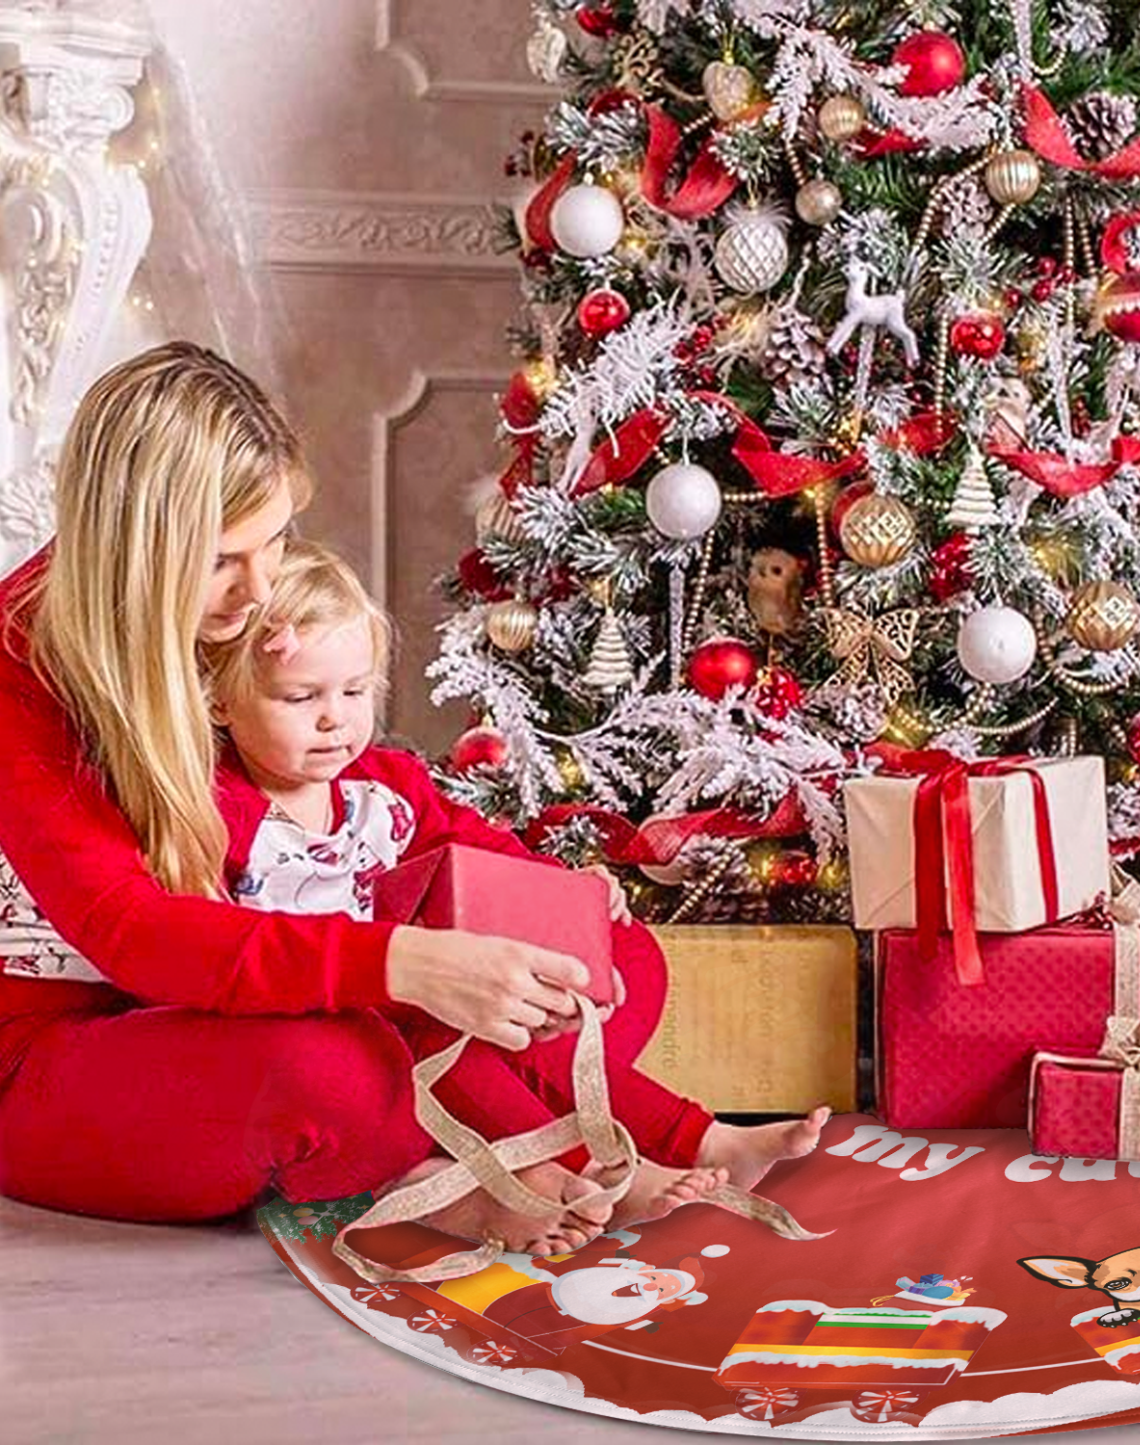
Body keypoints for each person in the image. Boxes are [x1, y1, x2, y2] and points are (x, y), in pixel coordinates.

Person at [0, 341, 821, 1254]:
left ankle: (508, 1158)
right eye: (227, 557)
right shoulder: (19, 672)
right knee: (342, 1071)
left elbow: (371, 802)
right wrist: (407, 965)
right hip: (60, 1054)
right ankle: (457, 1170)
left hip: (226, 997)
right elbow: (138, 935)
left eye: (275, 540)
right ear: (139, 551)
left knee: (605, 963)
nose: (262, 584)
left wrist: (539, 917)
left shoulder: (218, 617)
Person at [203, 538, 828, 1252]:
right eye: (300, 696)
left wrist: (560, 894)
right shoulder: (223, 813)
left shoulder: (386, 783)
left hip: (443, 994)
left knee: (587, 983)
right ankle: (585, 1170)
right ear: (221, 698)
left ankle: (703, 1136)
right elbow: (221, 948)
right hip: (354, 1029)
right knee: (463, 1043)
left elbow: (479, 845)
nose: (334, 719)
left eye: (353, 692)